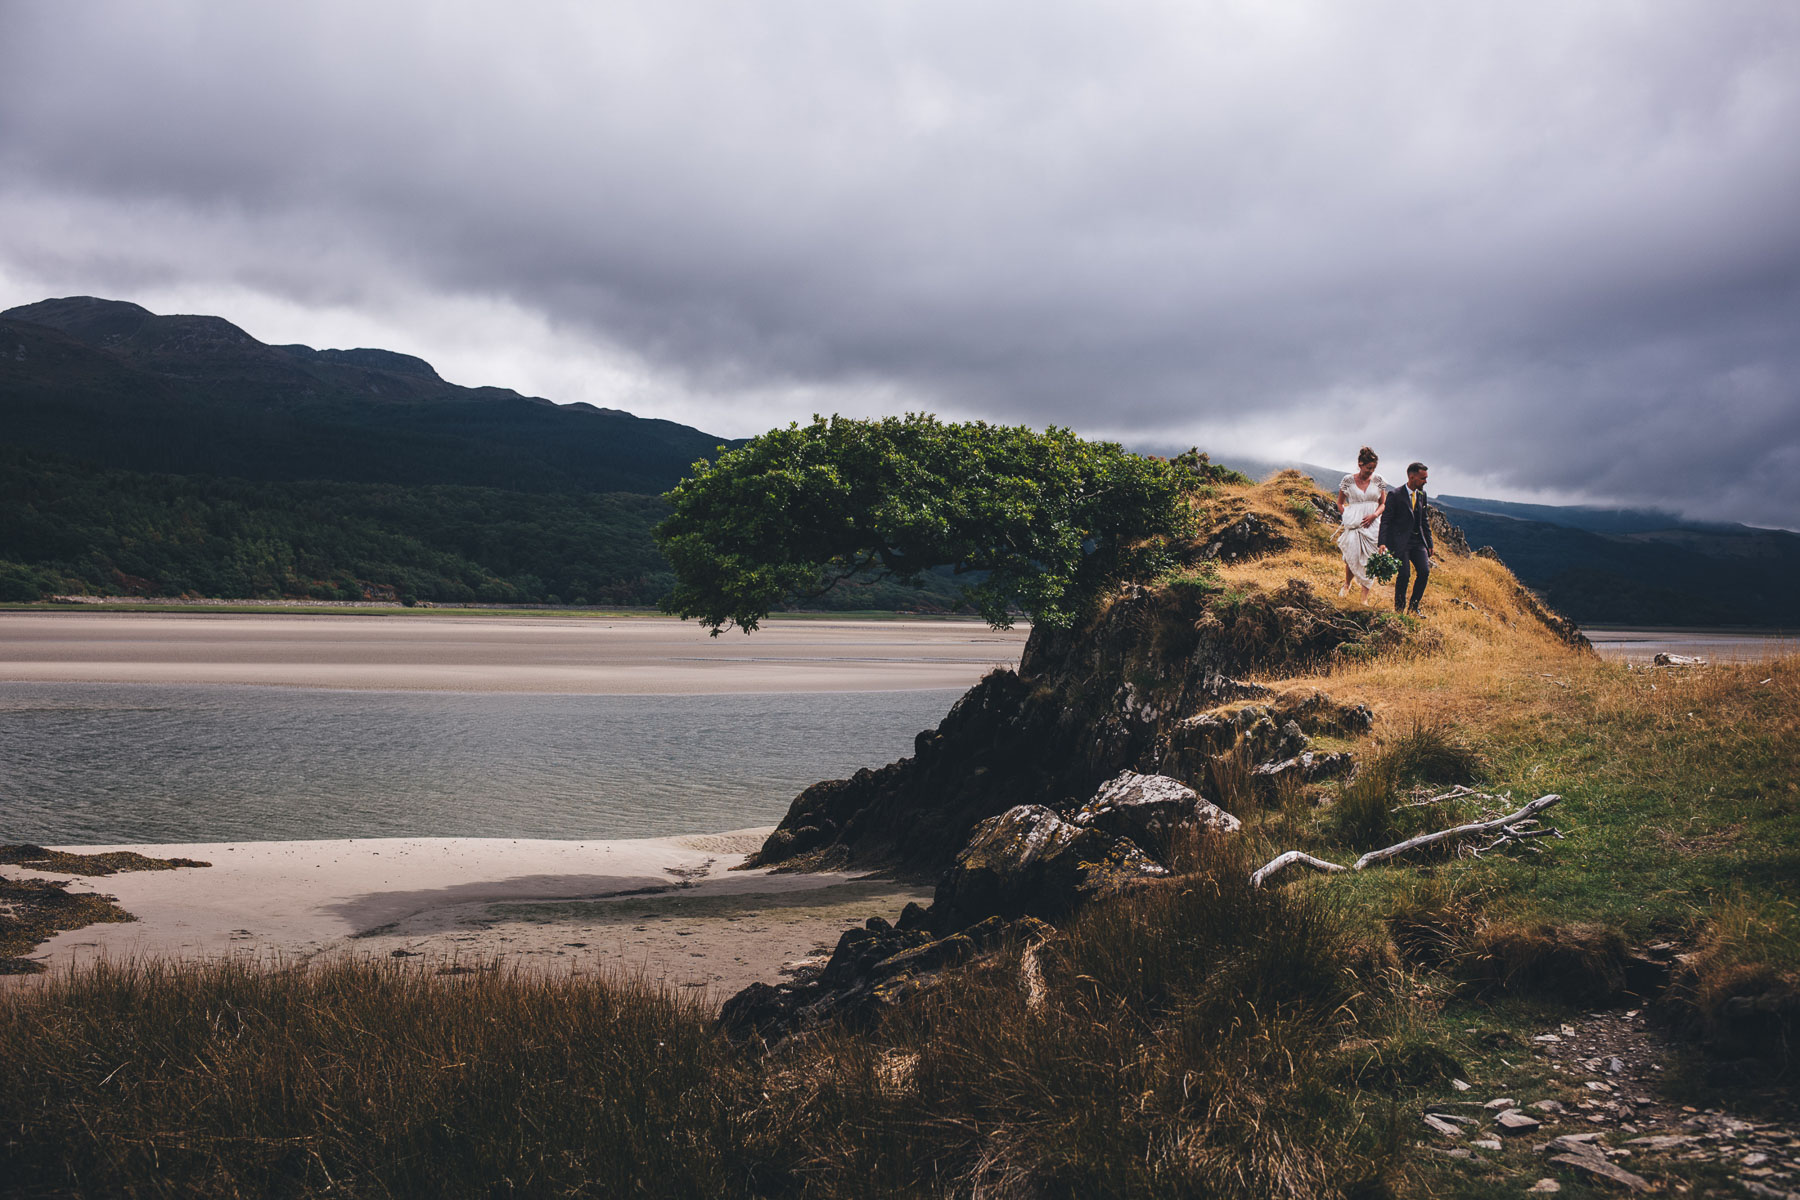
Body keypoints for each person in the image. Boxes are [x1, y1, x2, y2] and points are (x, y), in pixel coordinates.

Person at [1377, 461, 1434, 613]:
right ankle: (1399, 610)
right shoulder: (1395, 495)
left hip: (1418, 542)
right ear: (1412, 477)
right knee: (1404, 575)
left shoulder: (1422, 495)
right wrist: (1382, 542)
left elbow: (1424, 520)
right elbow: (1386, 520)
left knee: (1424, 572)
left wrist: (1430, 543)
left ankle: (1414, 608)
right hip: (1400, 542)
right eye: (1423, 478)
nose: (1426, 481)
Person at [1335, 446, 1387, 603]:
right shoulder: (1348, 481)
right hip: (1354, 524)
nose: (1370, 472)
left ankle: (1364, 597)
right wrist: (1348, 517)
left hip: (1373, 524)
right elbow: (1339, 503)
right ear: (1360, 464)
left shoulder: (1378, 481)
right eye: (1368, 468)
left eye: (1373, 468)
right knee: (1353, 554)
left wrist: (1374, 515)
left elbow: (1383, 503)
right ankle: (1347, 584)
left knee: (1371, 557)